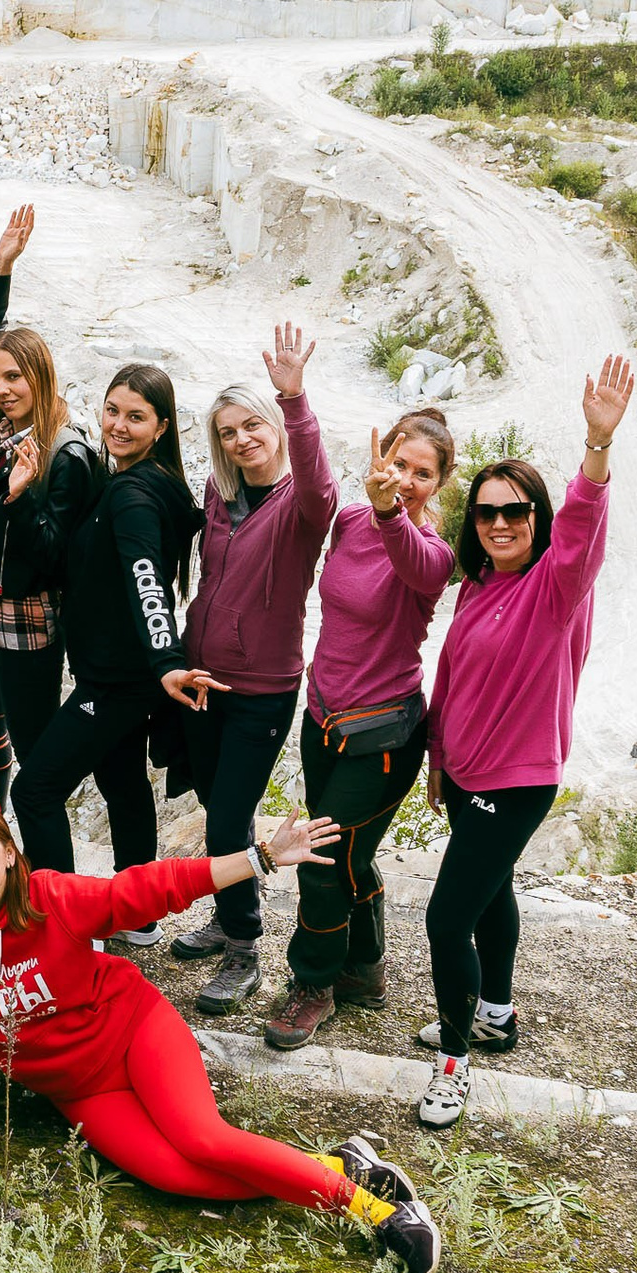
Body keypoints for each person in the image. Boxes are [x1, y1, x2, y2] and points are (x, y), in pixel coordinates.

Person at [0, 803, 441, 1273]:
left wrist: (261, 857)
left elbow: (153, 887)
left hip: (133, 1030)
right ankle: (339, 1164)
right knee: (174, 1176)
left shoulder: (52, 897)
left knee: (203, 1141)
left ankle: (379, 1212)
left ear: (7, 854)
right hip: (80, 1089)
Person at [415, 357, 632, 1130]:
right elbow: (453, 674)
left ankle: (453, 1065)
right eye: (485, 512)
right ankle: (495, 1015)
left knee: (447, 918)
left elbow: (581, 530)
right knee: (492, 891)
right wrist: (439, 760)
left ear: (537, 516)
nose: (499, 523)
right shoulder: (479, 584)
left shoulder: (555, 587)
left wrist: (596, 447)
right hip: (465, 774)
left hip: (514, 783)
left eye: (514, 510)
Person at [265, 410, 456, 1052]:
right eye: (399, 463)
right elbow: (316, 493)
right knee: (350, 854)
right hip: (322, 715)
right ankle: (365, 968)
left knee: (320, 860)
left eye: (422, 473)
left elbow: (414, 563)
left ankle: (313, 983)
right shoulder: (350, 520)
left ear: (439, 484)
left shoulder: (433, 553)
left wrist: (388, 511)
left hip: (381, 737)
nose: (406, 479)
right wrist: (294, 404)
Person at [10, 364, 216, 948]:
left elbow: (146, 580)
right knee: (122, 781)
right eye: (112, 411)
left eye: (136, 417)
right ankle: (139, 915)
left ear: (162, 427)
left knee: (34, 791)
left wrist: (165, 660)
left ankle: (61, 920)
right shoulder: (142, 480)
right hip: (120, 673)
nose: (119, 425)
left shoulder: (131, 496)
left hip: (118, 681)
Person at [167, 323, 340, 1015]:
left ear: (273, 425)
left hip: (262, 689)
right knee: (218, 809)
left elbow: (321, 483)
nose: (241, 439)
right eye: (228, 432)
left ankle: (243, 950)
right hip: (202, 681)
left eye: (252, 425)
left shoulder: (303, 505)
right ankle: (231, 910)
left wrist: (294, 399)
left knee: (227, 819)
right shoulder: (221, 492)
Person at [0, 203, 98, 811]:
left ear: (41, 374)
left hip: (28, 613)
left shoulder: (65, 453)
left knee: (32, 741)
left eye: (15, 377)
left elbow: (56, 555)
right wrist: (0, 268)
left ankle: (38, 842)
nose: (3, 389)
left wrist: (16, 499)